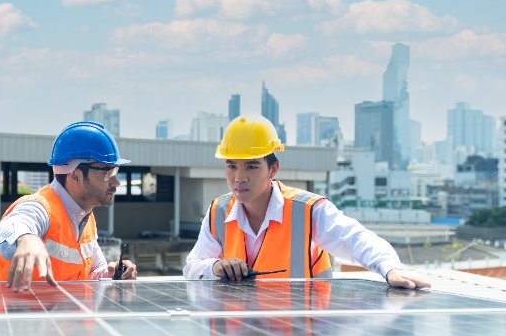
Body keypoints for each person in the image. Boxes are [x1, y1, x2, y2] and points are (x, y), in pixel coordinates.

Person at [183, 114, 430, 290]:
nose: (239, 177)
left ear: (273, 169)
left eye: (251, 166)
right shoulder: (218, 212)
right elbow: (192, 268)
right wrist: (215, 267)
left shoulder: (308, 210)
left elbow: (357, 240)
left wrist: (391, 268)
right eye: (231, 166)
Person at [0, 121, 137, 290]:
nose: (116, 182)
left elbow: (92, 273)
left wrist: (113, 273)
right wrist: (27, 238)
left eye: (116, 171)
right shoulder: (40, 207)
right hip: (4, 315)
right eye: (107, 172)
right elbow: (11, 227)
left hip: (48, 315)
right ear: (75, 175)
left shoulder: (86, 218)